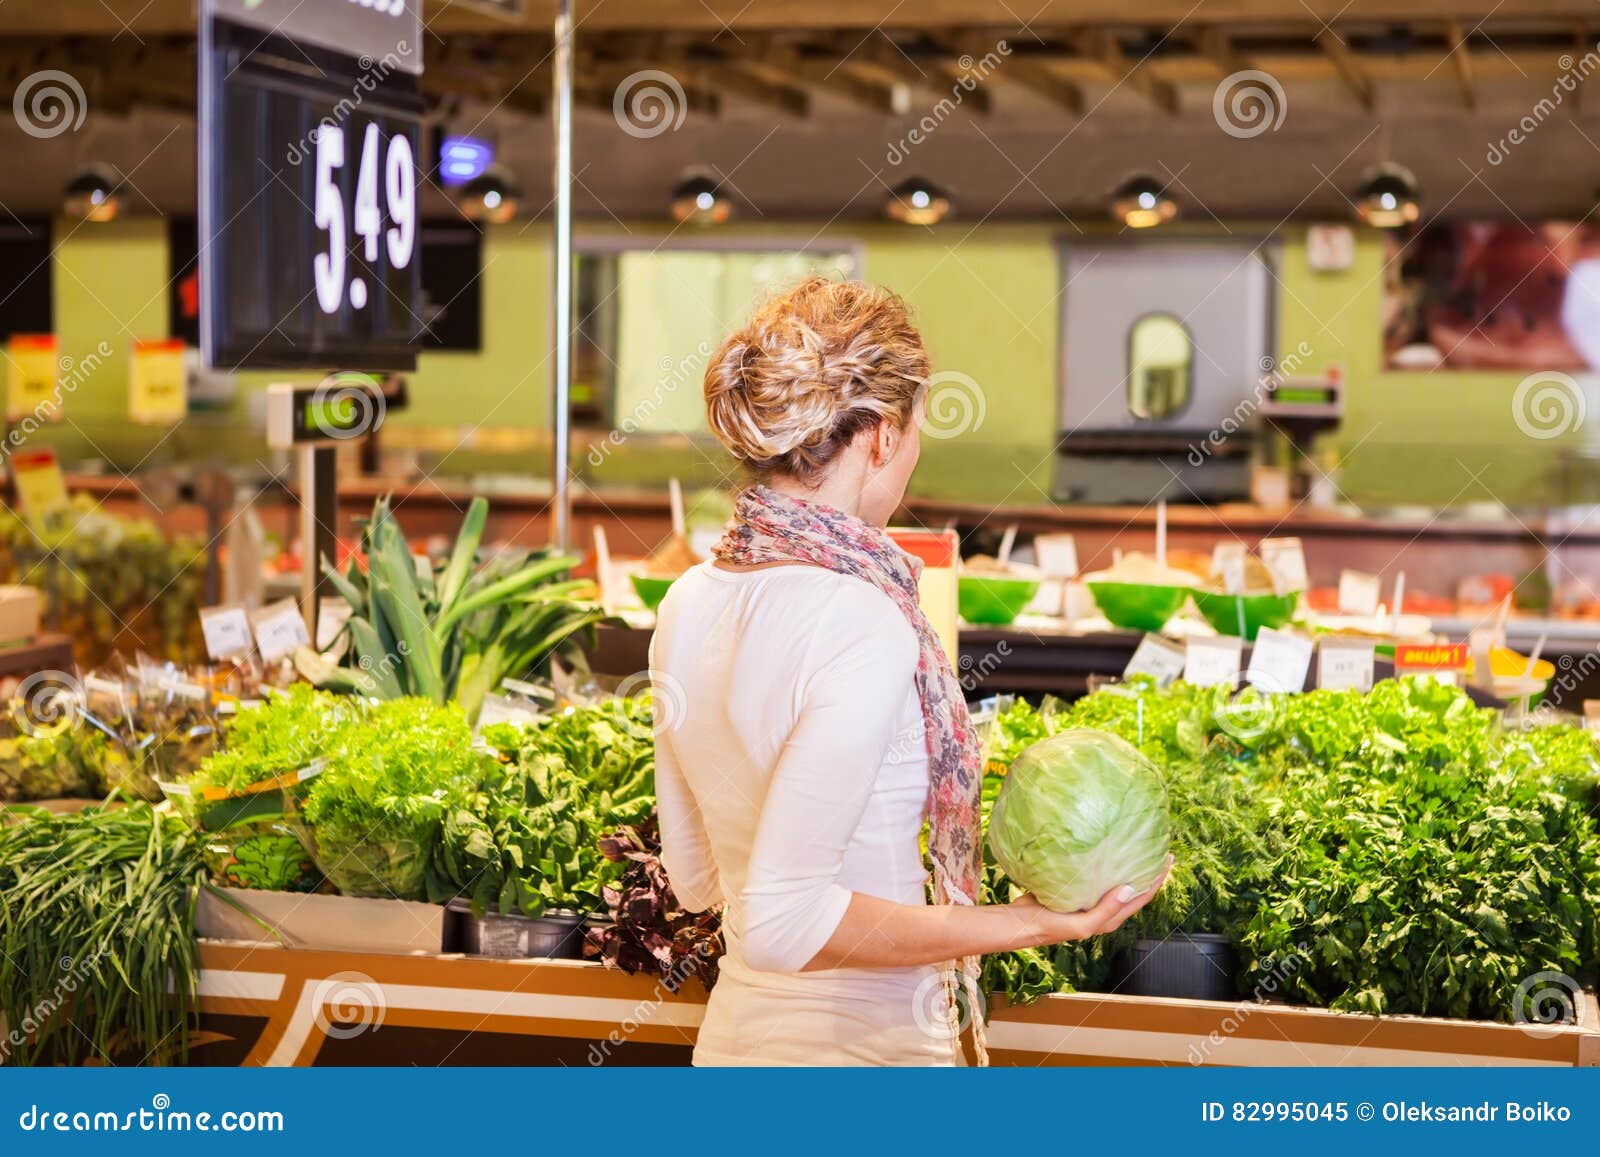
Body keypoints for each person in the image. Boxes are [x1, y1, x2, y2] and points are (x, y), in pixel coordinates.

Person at [649, 276, 1171, 1067]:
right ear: (884, 435)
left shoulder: (687, 600)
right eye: (920, 428)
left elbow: (695, 879)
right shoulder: (862, 620)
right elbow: (783, 923)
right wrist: (1033, 921)